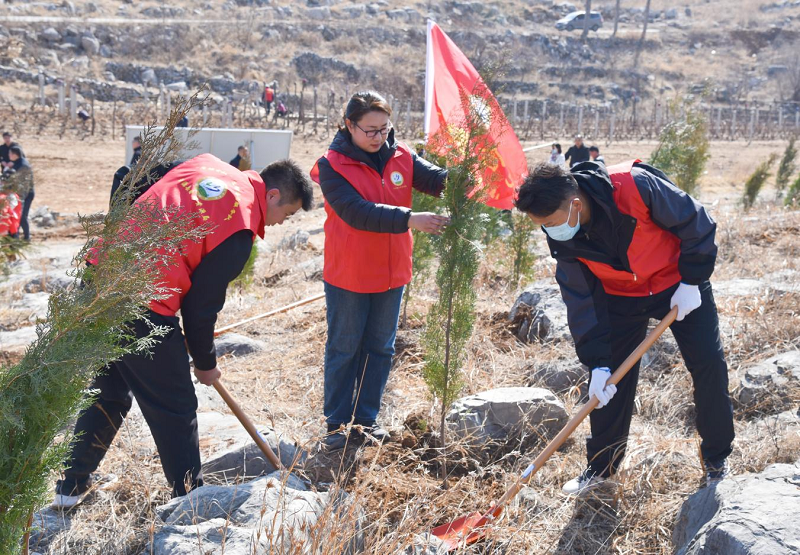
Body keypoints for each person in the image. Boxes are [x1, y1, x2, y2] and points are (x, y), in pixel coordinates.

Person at [52, 153, 314, 509]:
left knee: (110, 388)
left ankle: (71, 487)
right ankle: (190, 503)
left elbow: (139, 174)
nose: (283, 222)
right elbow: (200, 307)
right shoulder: (240, 225)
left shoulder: (205, 164)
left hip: (101, 277)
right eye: (289, 212)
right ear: (271, 195)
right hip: (141, 304)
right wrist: (205, 363)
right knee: (175, 406)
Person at [515, 160, 734, 494]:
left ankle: (717, 458)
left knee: (708, 364)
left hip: (678, 284)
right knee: (607, 387)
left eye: (550, 222)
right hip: (620, 297)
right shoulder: (562, 234)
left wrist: (692, 279)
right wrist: (597, 362)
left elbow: (696, 222)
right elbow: (580, 298)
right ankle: (601, 467)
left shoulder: (634, 186)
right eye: (542, 225)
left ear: (575, 204)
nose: (549, 230)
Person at [310, 90, 449, 450]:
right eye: (369, 130)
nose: (378, 137)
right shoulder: (332, 165)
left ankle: (366, 421)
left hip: (392, 272)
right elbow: (356, 211)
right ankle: (337, 425)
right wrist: (410, 219)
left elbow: (436, 180)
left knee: (381, 349)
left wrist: (466, 176)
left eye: (384, 129)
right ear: (349, 125)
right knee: (345, 346)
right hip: (350, 273)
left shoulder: (401, 155)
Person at [6, 146, 34, 241]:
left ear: (15, 154)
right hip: (18, 194)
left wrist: (19, 197)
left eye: (10, 153)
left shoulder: (23, 165)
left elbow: (24, 184)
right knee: (17, 216)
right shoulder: (17, 163)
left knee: (22, 216)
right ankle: (17, 236)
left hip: (25, 194)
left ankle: (27, 237)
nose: (9, 155)